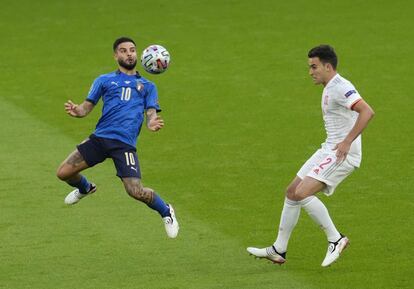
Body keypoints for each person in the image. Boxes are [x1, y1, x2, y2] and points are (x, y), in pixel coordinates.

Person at [247, 45, 374, 266]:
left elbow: (367, 111)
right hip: (328, 149)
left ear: (327, 66)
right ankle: (279, 249)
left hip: (343, 154)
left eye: (314, 67)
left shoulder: (341, 87)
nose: (310, 72)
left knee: (303, 192)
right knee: (292, 192)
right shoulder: (329, 86)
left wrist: (347, 142)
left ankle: (336, 238)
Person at [56, 37, 179, 238]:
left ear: (137, 54)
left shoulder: (147, 85)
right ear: (116, 56)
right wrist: (76, 110)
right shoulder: (103, 80)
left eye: (132, 50)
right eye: (123, 50)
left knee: (135, 191)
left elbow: (151, 114)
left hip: (124, 145)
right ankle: (85, 187)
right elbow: (85, 108)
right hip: (100, 138)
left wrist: (152, 123)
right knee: (63, 173)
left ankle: (166, 211)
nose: (129, 53)